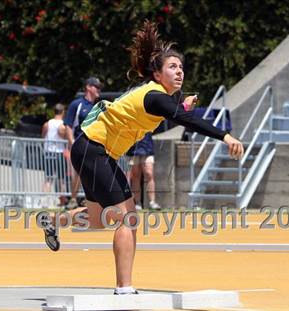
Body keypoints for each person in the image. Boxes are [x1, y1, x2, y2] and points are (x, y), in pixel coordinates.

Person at [38, 21, 244, 295]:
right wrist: (225, 136)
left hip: (94, 150)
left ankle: (53, 222)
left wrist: (181, 105)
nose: (179, 71)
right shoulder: (156, 97)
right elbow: (186, 120)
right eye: (172, 67)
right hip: (93, 149)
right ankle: (124, 288)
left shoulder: (158, 97)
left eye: (181, 67)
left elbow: (168, 111)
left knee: (99, 219)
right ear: (157, 74)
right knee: (128, 217)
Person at [63, 77, 103, 208]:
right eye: (96, 87)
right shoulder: (77, 104)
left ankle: (90, 200)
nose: (99, 90)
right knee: (79, 172)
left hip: (94, 144)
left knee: (94, 172)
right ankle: (73, 199)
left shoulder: (98, 107)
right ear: (88, 87)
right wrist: (72, 143)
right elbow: (68, 125)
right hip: (79, 143)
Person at [126, 132, 160, 210]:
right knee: (135, 176)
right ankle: (137, 203)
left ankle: (152, 202)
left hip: (147, 148)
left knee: (149, 174)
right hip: (133, 150)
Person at [42, 103, 67, 193]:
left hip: (49, 151)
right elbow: (64, 136)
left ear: (54, 112)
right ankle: (63, 201)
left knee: (48, 178)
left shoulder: (47, 123)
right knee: (61, 179)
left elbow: (43, 135)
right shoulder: (63, 125)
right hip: (59, 152)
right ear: (63, 112)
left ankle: (44, 202)